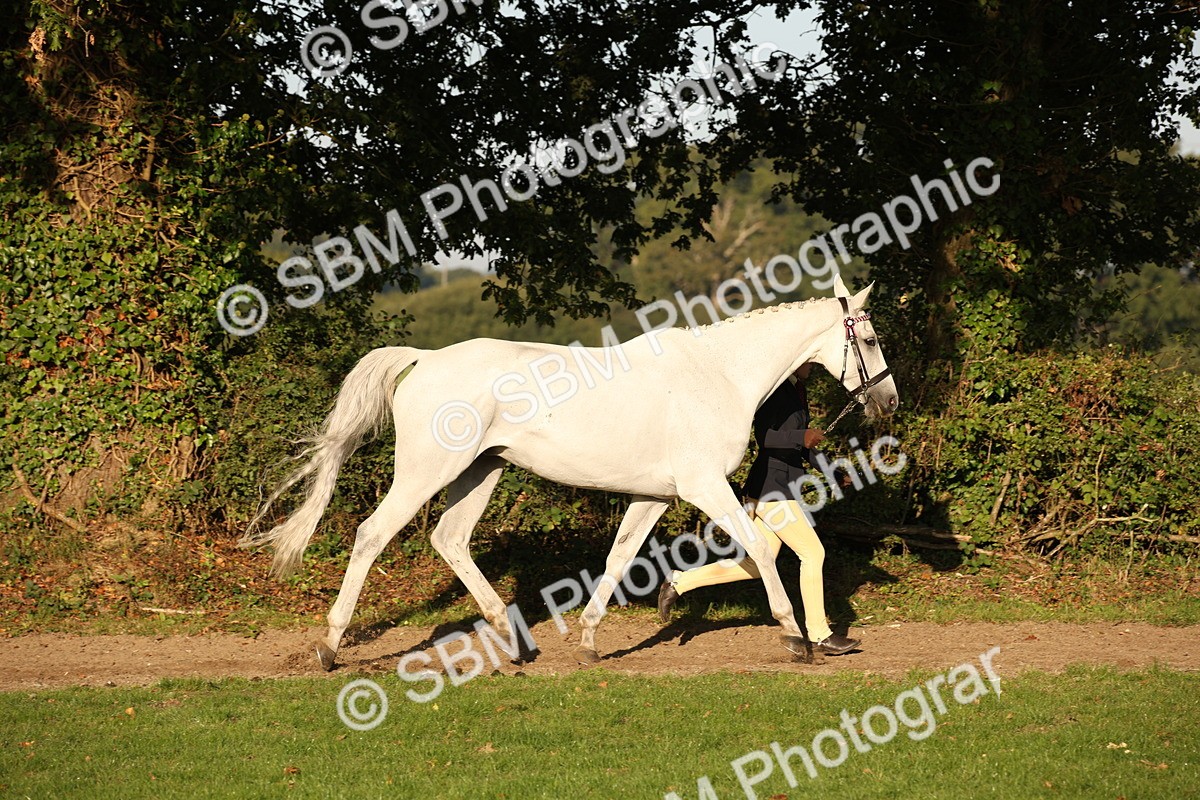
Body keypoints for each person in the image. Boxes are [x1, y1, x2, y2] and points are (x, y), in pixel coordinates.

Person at [657, 362, 861, 655]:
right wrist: (800, 436)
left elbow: (802, 447)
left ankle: (679, 580)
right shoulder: (777, 391)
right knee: (813, 553)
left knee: (756, 564)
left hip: (775, 489)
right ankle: (819, 634)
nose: (813, 367)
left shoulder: (796, 391)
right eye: (809, 362)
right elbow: (765, 438)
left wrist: (831, 471)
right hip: (771, 490)